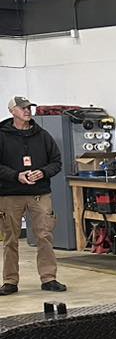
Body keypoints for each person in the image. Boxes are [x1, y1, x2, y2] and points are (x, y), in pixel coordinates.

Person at [0, 96, 65, 295]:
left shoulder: (42, 135)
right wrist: (15, 176)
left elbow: (56, 162)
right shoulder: (1, 135)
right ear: (12, 111)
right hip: (10, 194)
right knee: (10, 238)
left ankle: (49, 278)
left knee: (44, 236)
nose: (27, 111)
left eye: (29, 107)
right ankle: (10, 281)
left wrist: (43, 172)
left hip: (40, 193)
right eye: (22, 108)